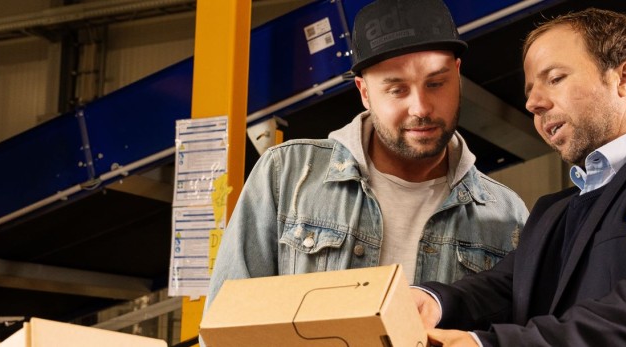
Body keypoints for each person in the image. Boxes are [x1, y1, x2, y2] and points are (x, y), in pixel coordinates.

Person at [411, 8, 626, 346]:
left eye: (555, 78)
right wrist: (433, 302)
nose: (532, 103)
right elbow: (503, 287)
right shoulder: (553, 211)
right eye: (530, 89)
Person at [207, 0, 529, 305]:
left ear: (457, 75)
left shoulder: (509, 216)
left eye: (436, 84)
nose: (420, 108)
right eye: (397, 89)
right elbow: (225, 323)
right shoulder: (286, 176)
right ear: (364, 92)